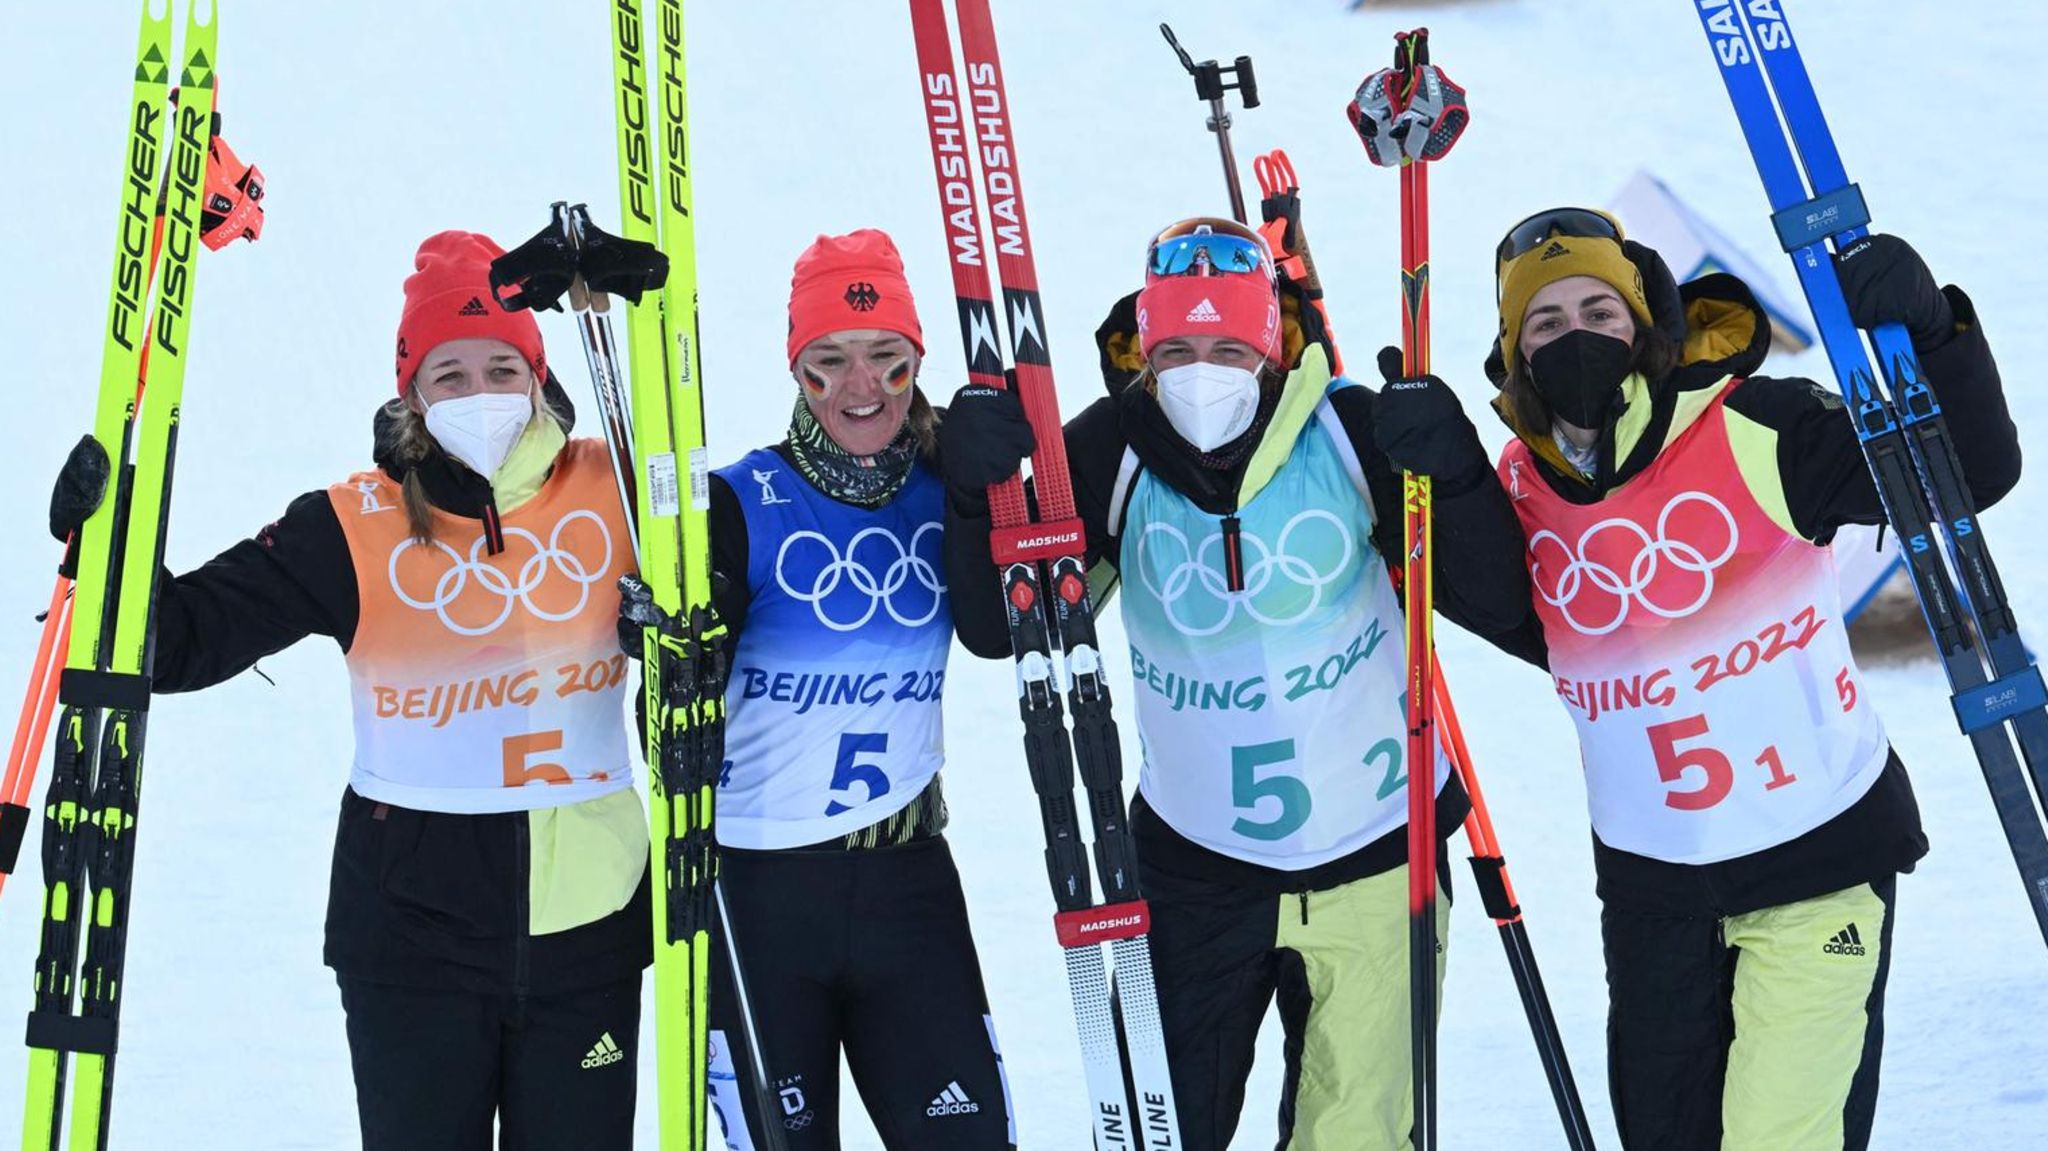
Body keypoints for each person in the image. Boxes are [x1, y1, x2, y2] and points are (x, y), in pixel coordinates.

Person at [1375, 207, 2021, 1151]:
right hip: (1655, 894)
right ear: (1513, 353)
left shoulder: (1755, 424)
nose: (1576, 336)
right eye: (1545, 325)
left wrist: (1934, 332)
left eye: (1599, 309)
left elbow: (1969, 472)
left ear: (1643, 322)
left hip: (1820, 857)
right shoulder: (1522, 485)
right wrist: (1448, 479)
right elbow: (1526, 621)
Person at [48, 231, 651, 1148]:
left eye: (502, 367)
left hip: (589, 931)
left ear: (538, 377)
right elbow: (174, 643)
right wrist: (111, 542)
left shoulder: (619, 491)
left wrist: (684, 626)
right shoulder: (349, 525)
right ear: (410, 390)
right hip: (411, 943)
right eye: (451, 375)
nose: (481, 396)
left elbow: (725, 616)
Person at [939, 216, 1531, 1150]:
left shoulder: (1350, 431)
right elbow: (1000, 629)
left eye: (1225, 346)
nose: (1199, 371)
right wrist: (977, 493)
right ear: (1142, 348)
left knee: (1361, 1133)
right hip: (1191, 866)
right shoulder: (1105, 452)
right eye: (1175, 347)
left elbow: (1502, 604)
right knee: (1163, 1127)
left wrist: (1455, 471)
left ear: (1270, 344)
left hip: (1380, 855)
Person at [669, 228, 1014, 1150]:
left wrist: (991, 490)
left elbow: (996, 631)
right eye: (830, 362)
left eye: (888, 362)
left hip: (907, 881)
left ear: (914, 361)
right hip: (756, 892)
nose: (861, 390)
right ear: (798, 366)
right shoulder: (741, 501)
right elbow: (669, 693)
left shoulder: (951, 484)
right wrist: (666, 641)